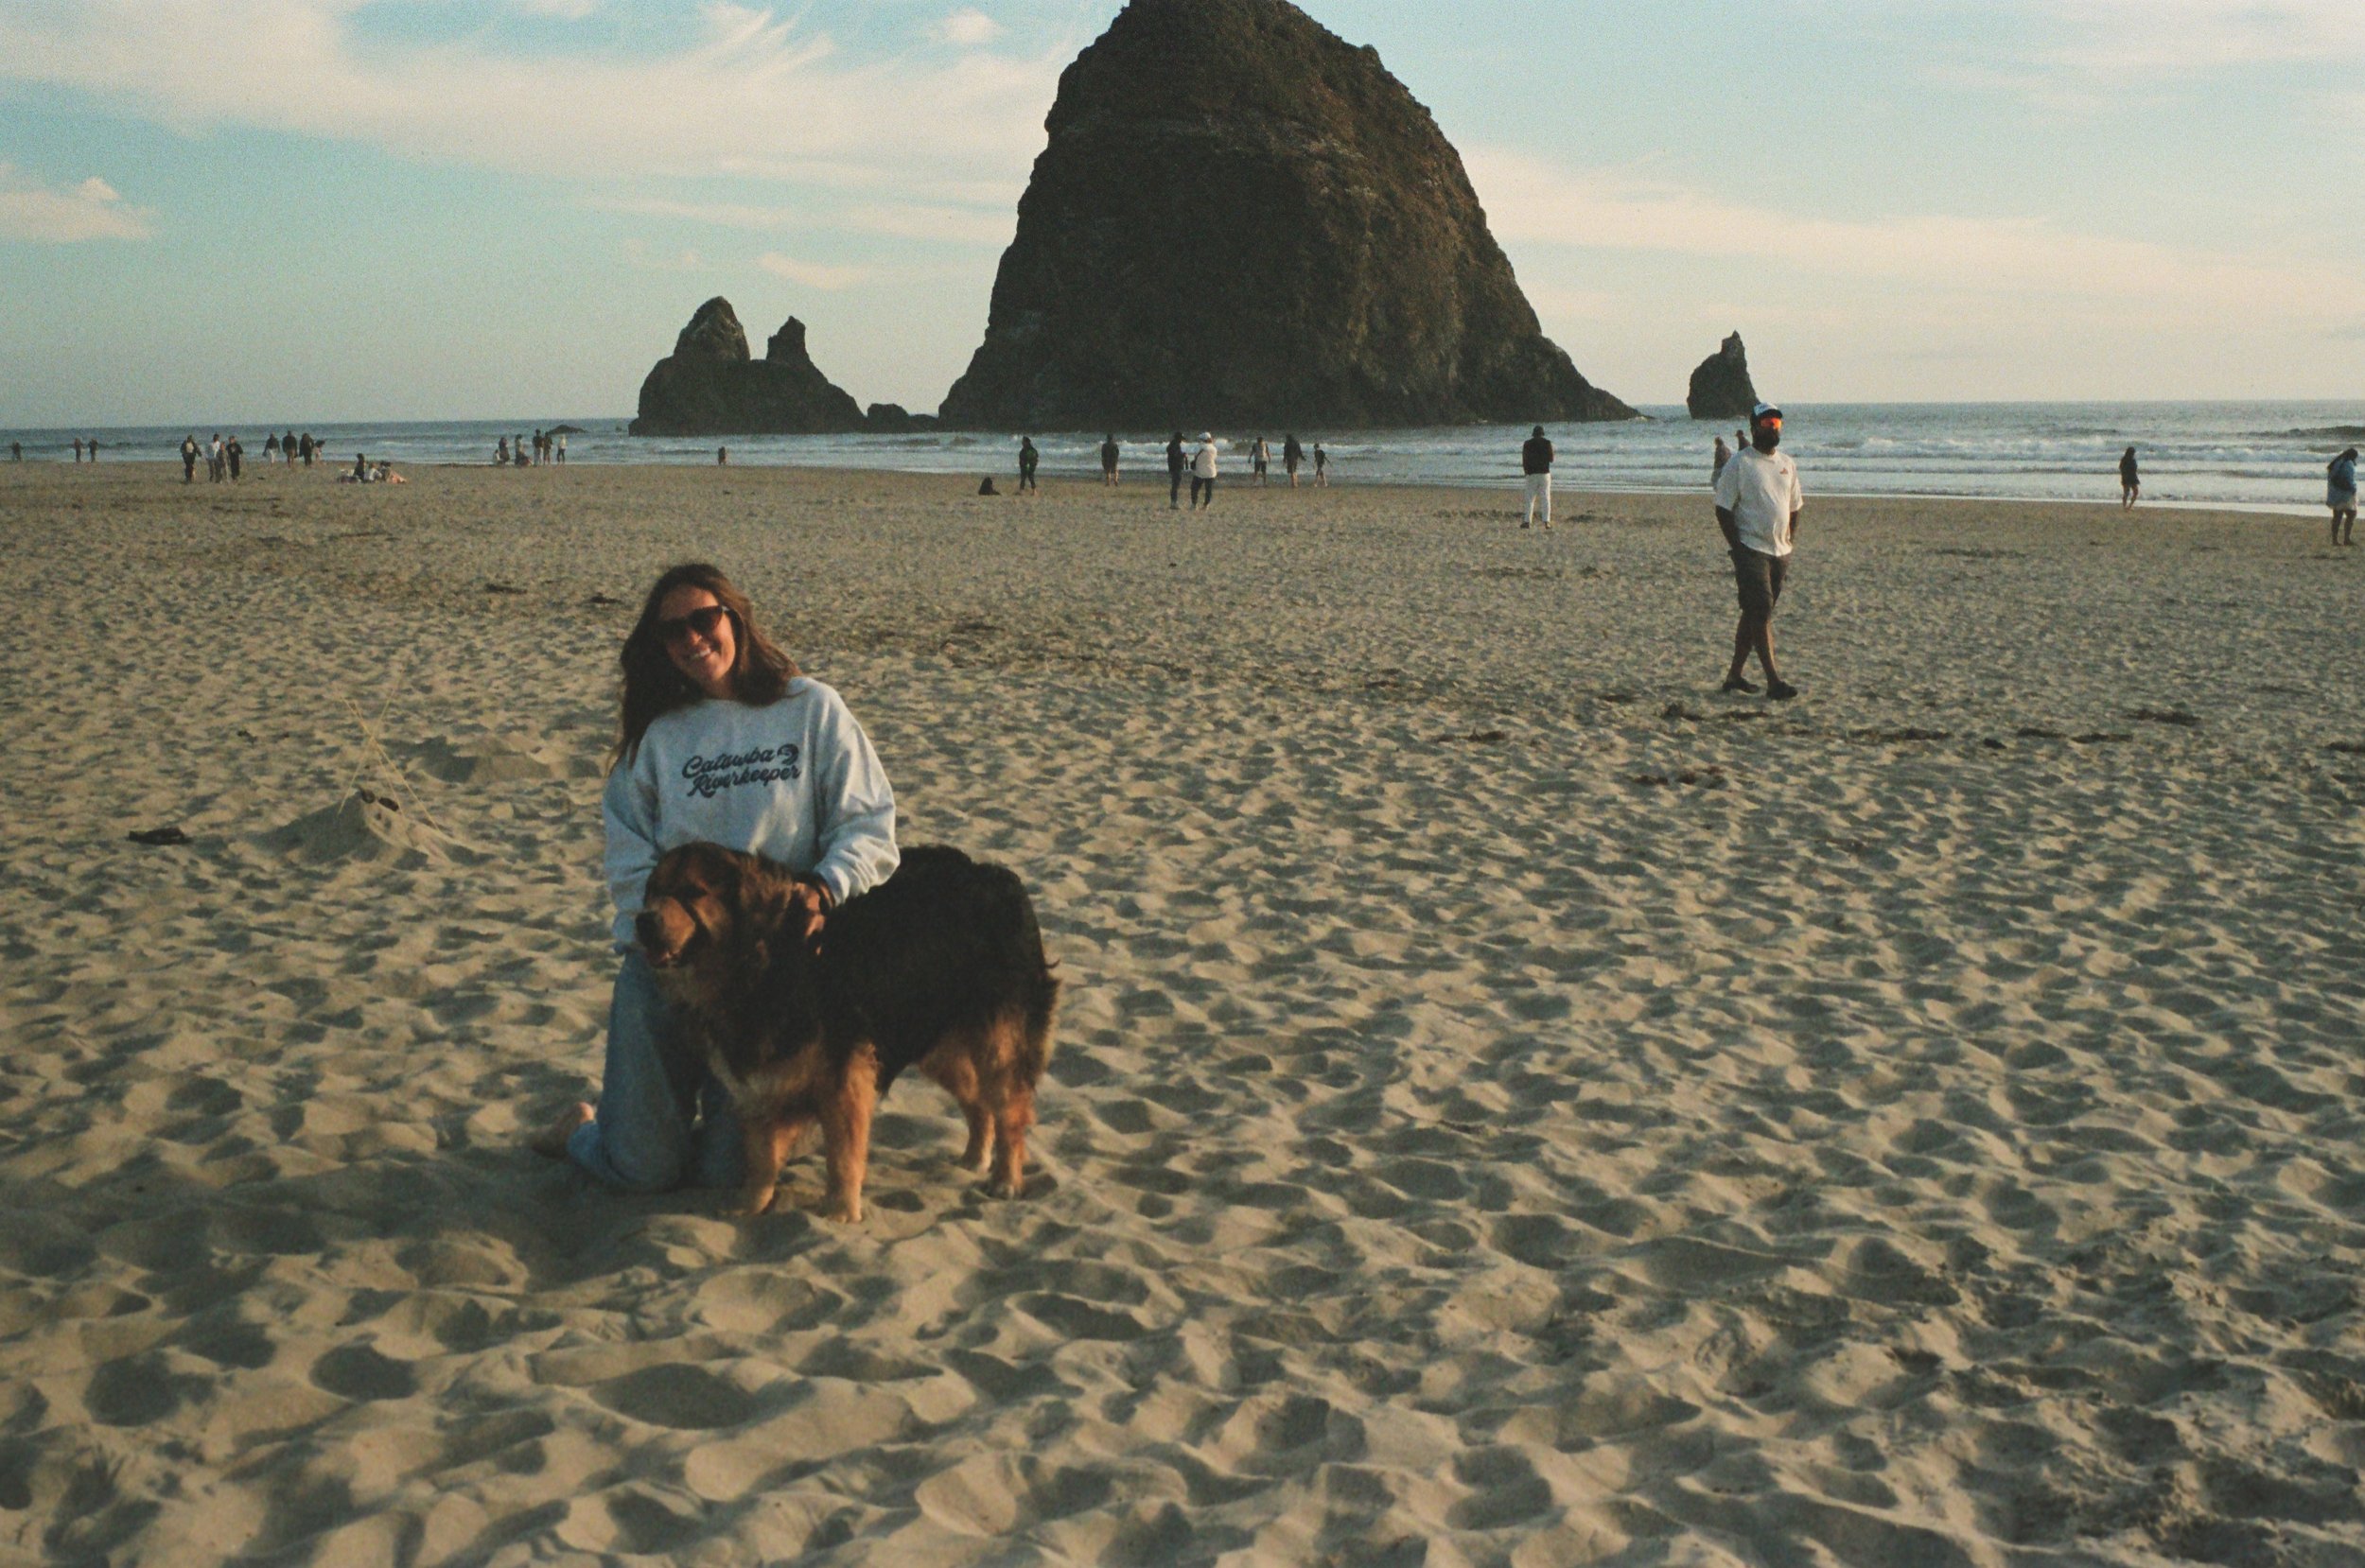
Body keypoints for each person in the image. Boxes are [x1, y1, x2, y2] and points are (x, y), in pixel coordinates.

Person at [530, 563, 900, 1193]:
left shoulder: (810, 709)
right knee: (644, 1172)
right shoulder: (658, 738)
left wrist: (825, 887)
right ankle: (585, 1130)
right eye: (673, 632)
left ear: (735, 618)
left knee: (731, 1175)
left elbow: (869, 825)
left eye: (705, 620)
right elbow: (628, 859)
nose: (692, 639)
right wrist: (659, 941)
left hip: (772, 972)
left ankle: (687, 1126)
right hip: (673, 971)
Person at [1712, 403, 1804, 701]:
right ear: (1753, 427)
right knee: (1761, 609)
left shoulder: (1787, 464)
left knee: (1755, 613)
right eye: (1766, 422)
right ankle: (1774, 681)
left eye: (1776, 422)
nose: (1772, 427)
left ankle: (1734, 675)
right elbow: (1723, 508)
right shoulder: (1739, 464)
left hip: (1780, 551)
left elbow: (1794, 506)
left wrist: (1790, 538)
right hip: (1750, 548)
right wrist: (1736, 546)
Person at [1520, 424, 1553, 531]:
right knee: (1545, 497)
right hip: (1544, 473)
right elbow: (1551, 459)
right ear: (1542, 434)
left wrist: (1526, 471)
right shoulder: (1547, 443)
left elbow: (1524, 459)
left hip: (1532, 473)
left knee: (1530, 498)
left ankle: (1527, 521)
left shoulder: (1527, 444)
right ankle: (1546, 521)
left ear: (1533, 434)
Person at [2329, 447, 2358, 547]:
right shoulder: (2348, 464)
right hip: (2345, 493)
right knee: (2351, 514)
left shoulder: (2337, 463)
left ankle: (2335, 540)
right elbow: (2349, 479)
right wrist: (2353, 488)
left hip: (2335, 493)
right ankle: (2347, 538)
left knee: (2337, 516)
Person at [1190, 432, 1218, 509]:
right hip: (1211, 471)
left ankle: (1194, 504)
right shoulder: (1213, 449)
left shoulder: (1198, 448)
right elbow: (1214, 458)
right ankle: (1206, 505)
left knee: (1194, 488)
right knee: (1208, 490)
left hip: (1199, 471)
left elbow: (1195, 456)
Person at [1165, 430, 1185, 510]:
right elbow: (1175, 455)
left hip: (1174, 467)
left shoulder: (1172, 445)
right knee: (1175, 485)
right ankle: (1174, 503)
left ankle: (1173, 502)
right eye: (1181, 438)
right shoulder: (1175, 445)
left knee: (1175, 485)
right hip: (1176, 467)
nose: (1182, 440)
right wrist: (1182, 455)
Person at [2119, 445, 2140, 510]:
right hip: (2126, 477)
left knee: (2136, 492)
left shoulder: (2133, 460)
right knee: (2126, 493)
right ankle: (2124, 506)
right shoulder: (2124, 459)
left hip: (2133, 477)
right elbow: (2121, 468)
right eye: (2132, 453)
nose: (2133, 454)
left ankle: (2130, 505)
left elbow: (2135, 468)